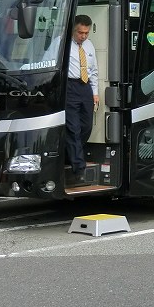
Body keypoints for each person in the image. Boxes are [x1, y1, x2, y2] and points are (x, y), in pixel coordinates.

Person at [66, 14, 98, 186]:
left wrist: (95, 92)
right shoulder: (62, 44)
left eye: (86, 33)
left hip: (85, 87)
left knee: (86, 126)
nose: (83, 36)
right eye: (80, 33)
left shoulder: (89, 45)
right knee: (73, 128)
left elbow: (94, 70)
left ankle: (70, 154)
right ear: (74, 30)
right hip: (70, 87)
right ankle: (79, 167)